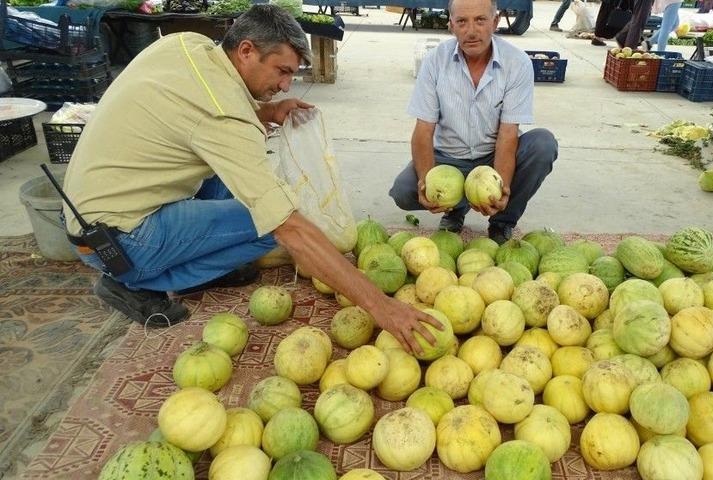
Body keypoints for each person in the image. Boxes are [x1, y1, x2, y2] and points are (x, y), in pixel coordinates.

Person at [62, 5, 440, 353]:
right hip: (120, 243)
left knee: (246, 181)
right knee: (273, 225)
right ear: (246, 51)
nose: (288, 84)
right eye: (283, 71)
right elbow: (288, 226)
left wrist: (267, 111)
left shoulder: (188, 45)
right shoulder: (226, 118)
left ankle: (180, 263)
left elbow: (198, 113)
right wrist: (383, 307)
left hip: (91, 214)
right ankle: (138, 283)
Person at [388, 0, 558, 245]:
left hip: (491, 156)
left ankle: (502, 221)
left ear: (495, 22)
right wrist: (427, 180)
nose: (471, 30)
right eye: (462, 22)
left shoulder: (517, 63)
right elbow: (423, 131)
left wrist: (499, 186)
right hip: (448, 157)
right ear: (451, 26)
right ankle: (455, 208)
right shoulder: (435, 61)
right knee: (404, 192)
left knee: (543, 144)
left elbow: (508, 135)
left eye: (480, 20)